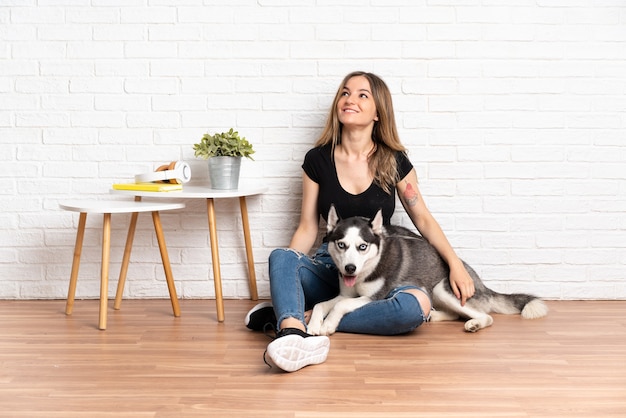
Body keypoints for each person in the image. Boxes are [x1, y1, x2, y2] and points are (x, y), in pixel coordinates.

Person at [245, 71, 476, 372]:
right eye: (345, 93)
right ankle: (292, 334)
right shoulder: (317, 160)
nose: (349, 99)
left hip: (377, 276)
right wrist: (289, 272)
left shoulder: (395, 161)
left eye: (361, 94)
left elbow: (423, 218)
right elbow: (307, 227)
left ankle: (305, 315)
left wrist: (455, 264)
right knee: (281, 257)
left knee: (416, 306)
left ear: (378, 112)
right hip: (331, 270)